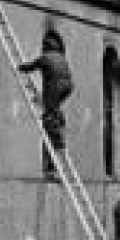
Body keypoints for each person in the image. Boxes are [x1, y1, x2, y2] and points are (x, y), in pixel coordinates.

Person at [18, 30, 74, 177]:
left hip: (56, 86)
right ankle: (60, 123)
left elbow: (31, 66)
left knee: (49, 116)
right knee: (55, 109)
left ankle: (58, 140)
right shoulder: (61, 57)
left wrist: (21, 67)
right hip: (68, 86)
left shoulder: (45, 57)